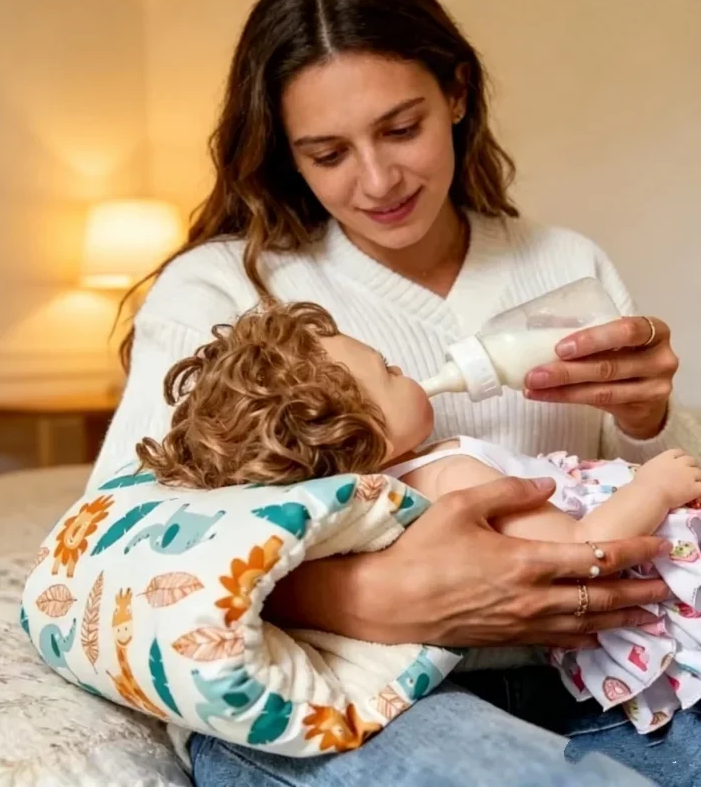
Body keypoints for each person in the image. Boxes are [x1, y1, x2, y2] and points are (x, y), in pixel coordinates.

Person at [90, 0, 701, 783]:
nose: (377, 181)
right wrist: (368, 598)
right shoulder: (222, 291)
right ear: (285, 149)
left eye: (401, 128)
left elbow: (644, 491)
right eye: (328, 154)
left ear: (455, 92)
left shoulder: (564, 266)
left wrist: (649, 418)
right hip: (361, 690)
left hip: (594, 676)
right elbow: (119, 551)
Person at [137, 298, 701, 736]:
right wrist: (655, 486)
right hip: (656, 581)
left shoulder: (394, 494)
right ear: (357, 430)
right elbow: (580, 553)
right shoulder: (451, 476)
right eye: (387, 370)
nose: (402, 365)